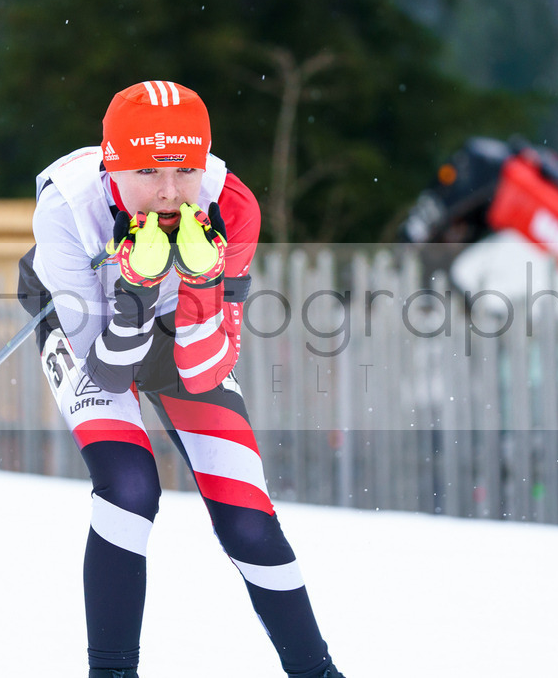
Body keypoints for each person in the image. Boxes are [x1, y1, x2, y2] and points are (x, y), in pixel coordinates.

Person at [18, 80, 345, 678]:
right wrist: (137, 294)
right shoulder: (67, 208)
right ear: (113, 164)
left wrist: (200, 284)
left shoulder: (234, 206)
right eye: (147, 171)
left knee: (248, 519)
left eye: (185, 170)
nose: (169, 194)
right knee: (130, 487)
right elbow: (108, 375)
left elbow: (205, 371)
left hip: (179, 330)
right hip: (89, 329)